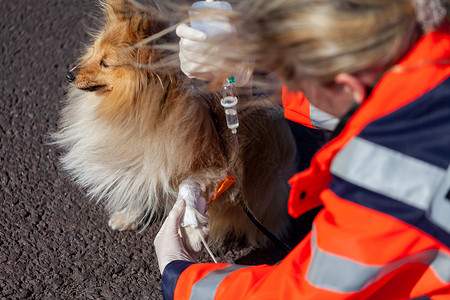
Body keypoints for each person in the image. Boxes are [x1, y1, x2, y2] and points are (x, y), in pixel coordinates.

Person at [155, 0, 450, 299]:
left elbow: (305, 292)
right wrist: (255, 72)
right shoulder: (431, 45)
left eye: (294, 79)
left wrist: (178, 276)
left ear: (346, 86)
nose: (287, 87)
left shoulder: (390, 175)